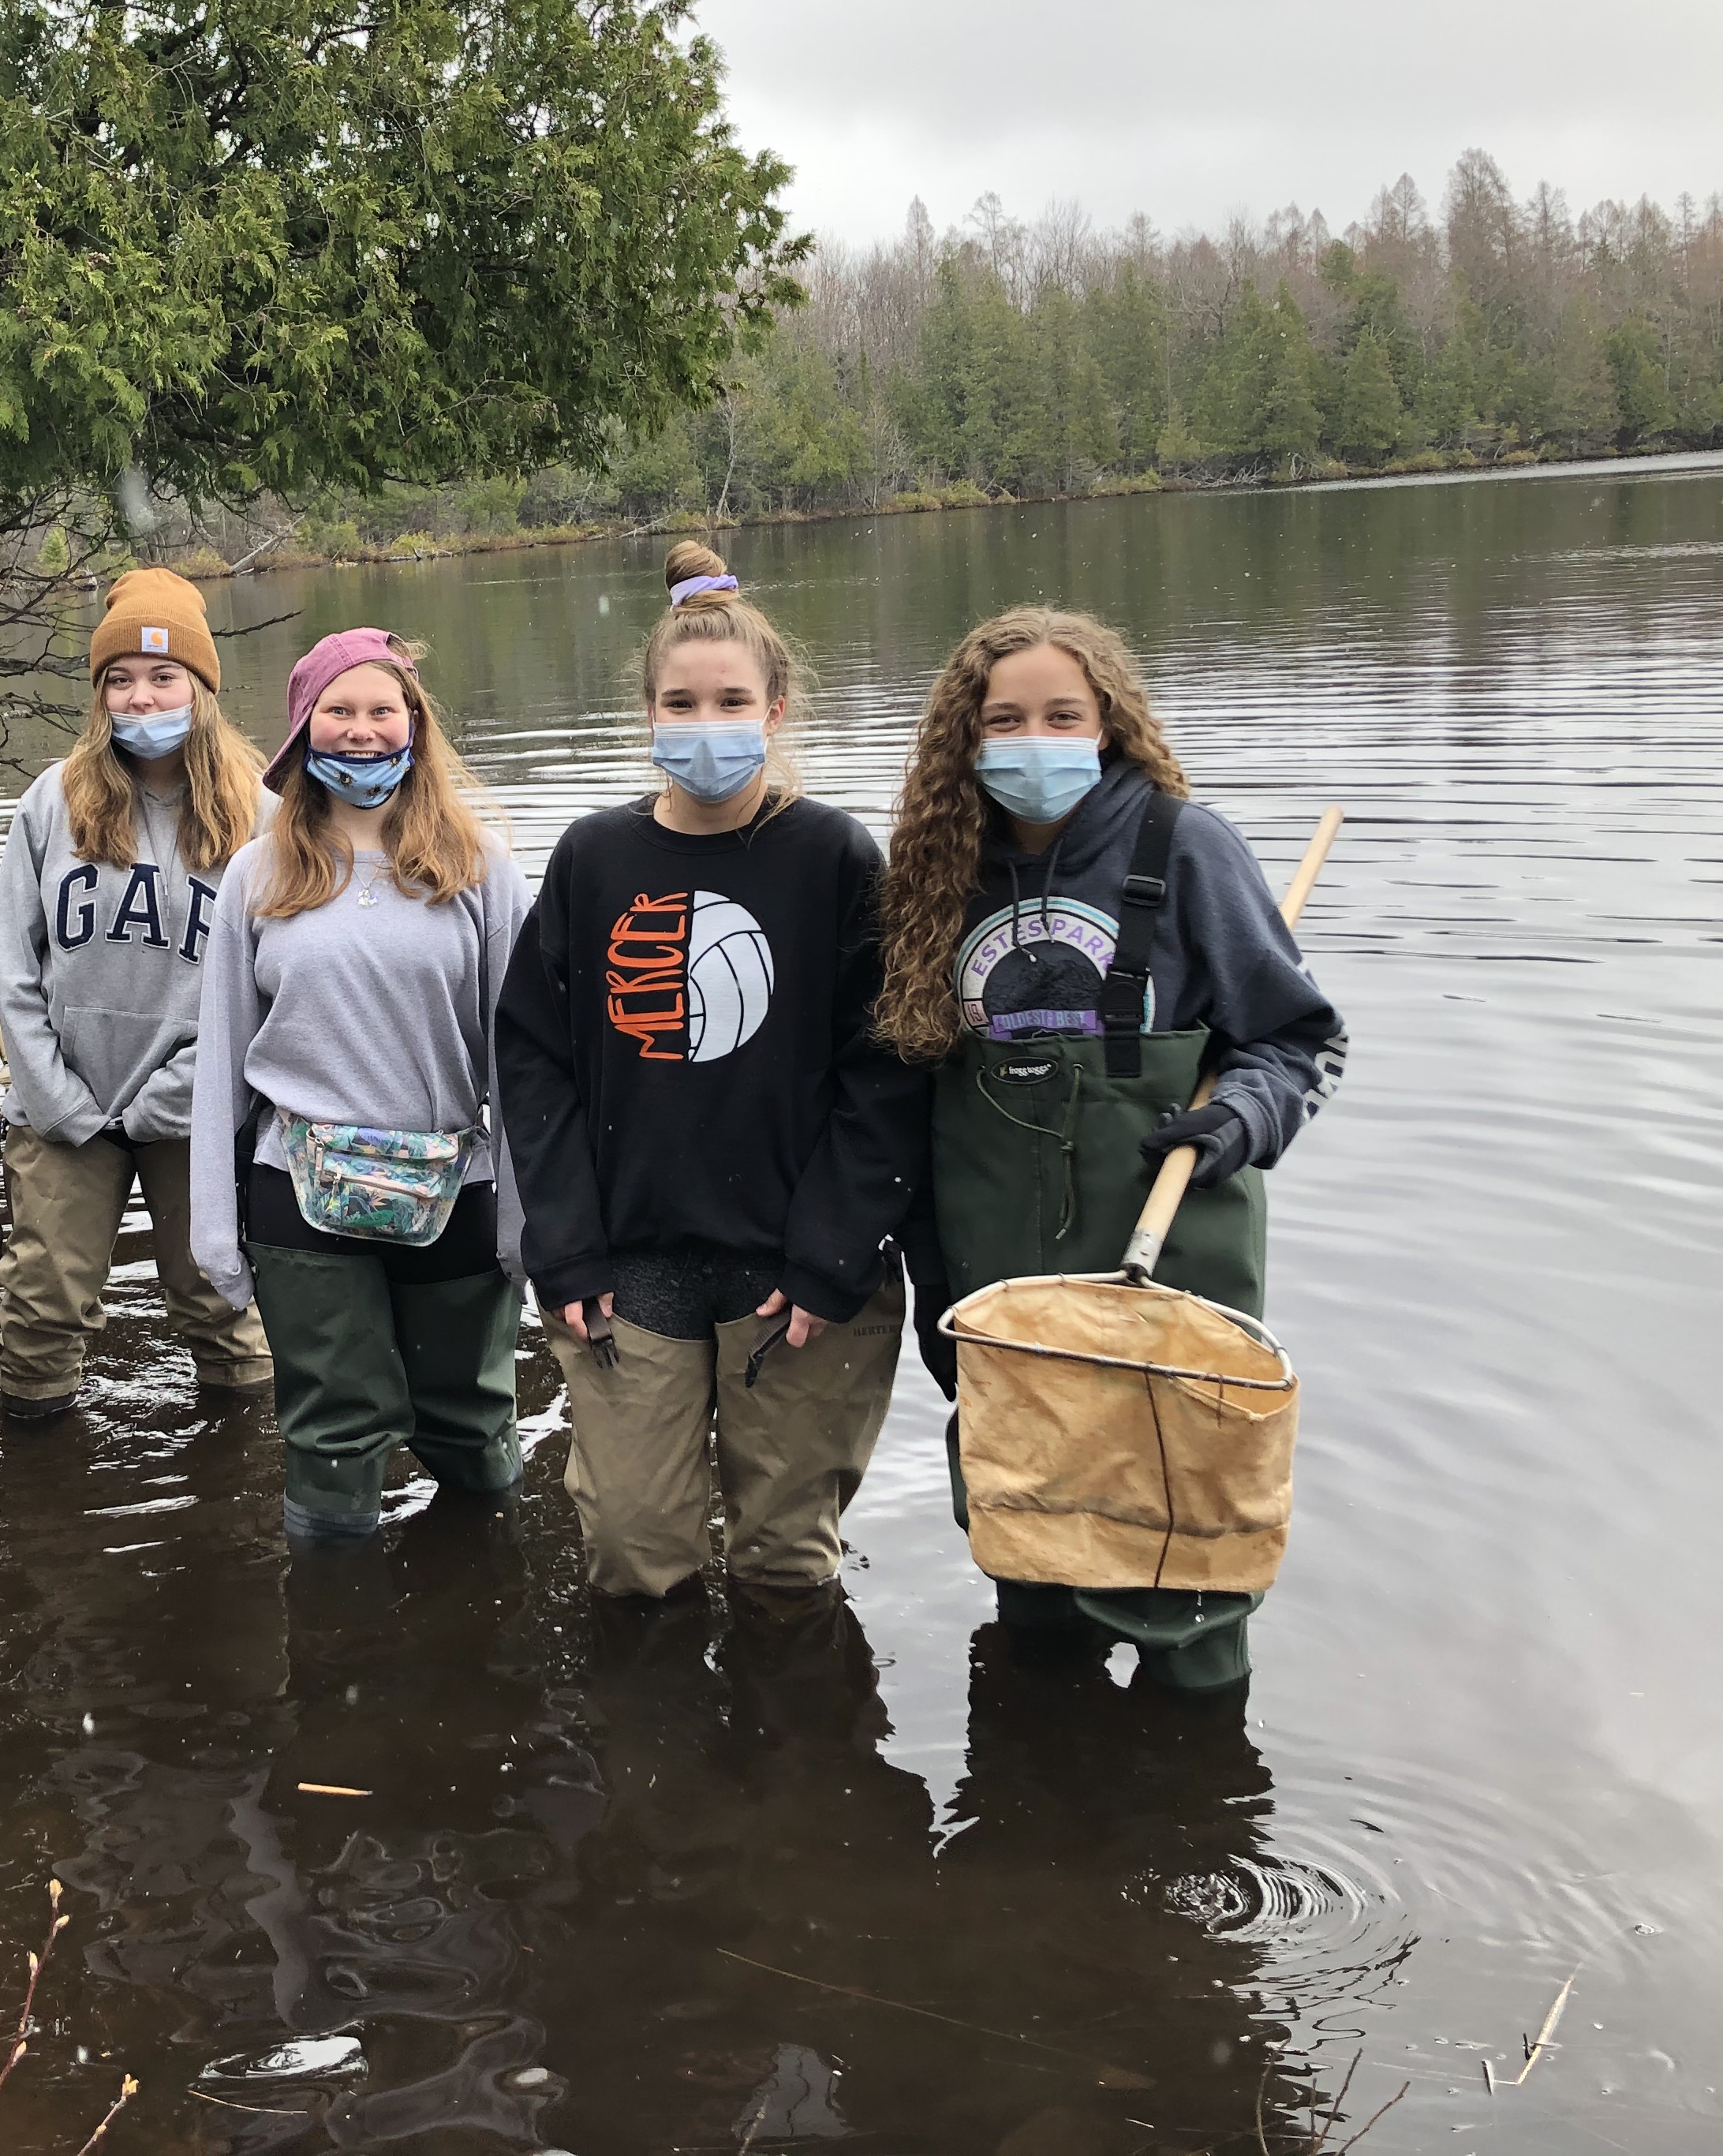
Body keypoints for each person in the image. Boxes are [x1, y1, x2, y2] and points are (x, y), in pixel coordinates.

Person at [880, 604, 1347, 1691]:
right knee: (1032, 1572)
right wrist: (931, 1282)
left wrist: (1242, 1119)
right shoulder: (934, 873)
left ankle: (1198, 1783)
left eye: (1061, 715)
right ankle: (1046, 1803)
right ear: (966, 736)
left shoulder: (1186, 845)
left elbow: (1294, 1039)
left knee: (1190, 1560)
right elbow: (907, 1091)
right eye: (1005, 719)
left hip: (1174, 1277)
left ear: (1108, 723)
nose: (1032, 740)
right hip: (1003, 1285)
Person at [496, 563, 927, 1603]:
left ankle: (781, 1758)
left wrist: (836, 1249)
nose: (707, 723)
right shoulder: (594, 859)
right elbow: (533, 1056)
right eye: (681, 703)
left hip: (795, 1274)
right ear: (647, 712)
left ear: (773, 710)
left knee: (785, 1565)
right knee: (638, 1557)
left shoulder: (830, 856)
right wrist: (562, 1242)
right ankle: (655, 1741)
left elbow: (887, 1067)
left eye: (732, 702)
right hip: (629, 1263)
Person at [191, 629, 530, 1540]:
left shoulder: (482, 868)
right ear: (304, 730)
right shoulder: (257, 875)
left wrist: (521, 1210)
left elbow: (519, 1054)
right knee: (332, 1440)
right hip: (299, 1193)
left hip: (454, 1184)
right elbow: (221, 1063)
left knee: (474, 1431)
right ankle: (337, 1642)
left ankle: (483, 1624)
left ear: (414, 722)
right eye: (339, 711)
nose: (362, 731)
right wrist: (214, 1229)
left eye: (383, 709)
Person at [0, 569, 275, 1422]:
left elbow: (270, 985)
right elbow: (14, 965)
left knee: (221, 1306)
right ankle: (39, 1511)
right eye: (119, 679)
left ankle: (243, 1512)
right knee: (39, 1311)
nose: (141, 697)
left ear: (202, 687)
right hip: (64, 1106)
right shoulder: (54, 801)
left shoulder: (259, 814)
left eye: (163, 677)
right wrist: (53, 1096)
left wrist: (183, 1093)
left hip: (201, 1111)